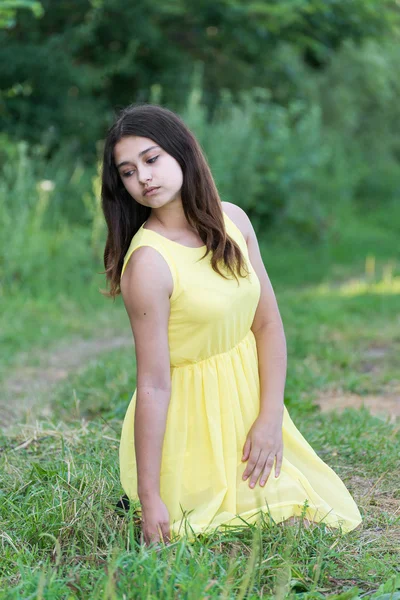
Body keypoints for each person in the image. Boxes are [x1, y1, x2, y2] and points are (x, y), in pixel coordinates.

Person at [101, 103, 362, 546]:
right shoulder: (148, 264)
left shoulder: (234, 221)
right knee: (270, 523)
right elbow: (153, 384)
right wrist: (150, 498)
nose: (143, 177)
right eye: (127, 172)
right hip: (190, 428)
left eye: (151, 159)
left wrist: (269, 419)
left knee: (318, 511)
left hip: (246, 407)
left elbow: (267, 325)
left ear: (181, 153)